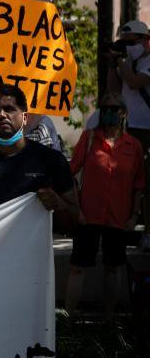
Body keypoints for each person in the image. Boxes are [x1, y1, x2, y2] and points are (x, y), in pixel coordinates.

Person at [0, 85, 78, 232]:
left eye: (9, 109)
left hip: (33, 254)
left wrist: (58, 204)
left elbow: (74, 222)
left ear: (25, 118)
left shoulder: (52, 161)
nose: (1, 115)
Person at [65, 93, 144, 317]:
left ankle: (109, 321)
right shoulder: (89, 138)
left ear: (124, 113)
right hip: (87, 216)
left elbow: (139, 184)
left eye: (114, 109)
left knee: (113, 267)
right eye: (105, 108)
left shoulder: (134, 145)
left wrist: (134, 216)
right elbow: (71, 171)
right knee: (78, 266)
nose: (109, 112)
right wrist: (76, 207)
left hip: (118, 218)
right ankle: (68, 318)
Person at [108, 20, 150, 249]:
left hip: (148, 131)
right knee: (133, 182)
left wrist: (122, 62)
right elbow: (113, 91)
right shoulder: (126, 64)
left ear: (145, 41)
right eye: (123, 43)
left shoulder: (145, 63)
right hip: (130, 129)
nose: (127, 48)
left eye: (131, 43)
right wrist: (112, 65)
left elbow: (135, 83)